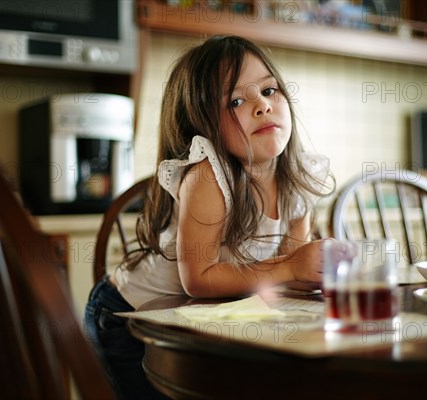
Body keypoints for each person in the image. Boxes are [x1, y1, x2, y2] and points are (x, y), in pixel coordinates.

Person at [84, 34, 334, 400]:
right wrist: (292, 268)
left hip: (205, 321)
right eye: (235, 100)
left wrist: (312, 271)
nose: (262, 106)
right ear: (203, 124)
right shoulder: (208, 175)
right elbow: (198, 280)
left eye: (268, 90)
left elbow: (286, 274)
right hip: (130, 319)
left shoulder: (297, 181)